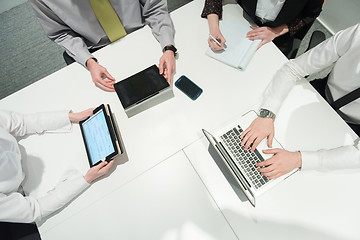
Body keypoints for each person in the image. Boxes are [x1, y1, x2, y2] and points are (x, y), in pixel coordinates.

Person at [239, 23, 360, 180]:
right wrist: (267, 114)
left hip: (352, 127)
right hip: (322, 93)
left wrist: (299, 159)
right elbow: (293, 69)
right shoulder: (357, 34)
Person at [30, 0, 177, 91]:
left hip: (140, 35)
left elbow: (155, 7)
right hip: (96, 53)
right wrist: (89, 62)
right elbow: (60, 33)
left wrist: (168, 47)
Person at [0, 109, 114, 223]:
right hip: (23, 193)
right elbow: (36, 210)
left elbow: (23, 123)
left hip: (30, 156)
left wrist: (70, 117)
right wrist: (86, 179)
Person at [201, 0, 323, 57]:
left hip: (278, 35)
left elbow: (310, 14)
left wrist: (276, 31)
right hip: (244, 16)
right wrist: (214, 29)